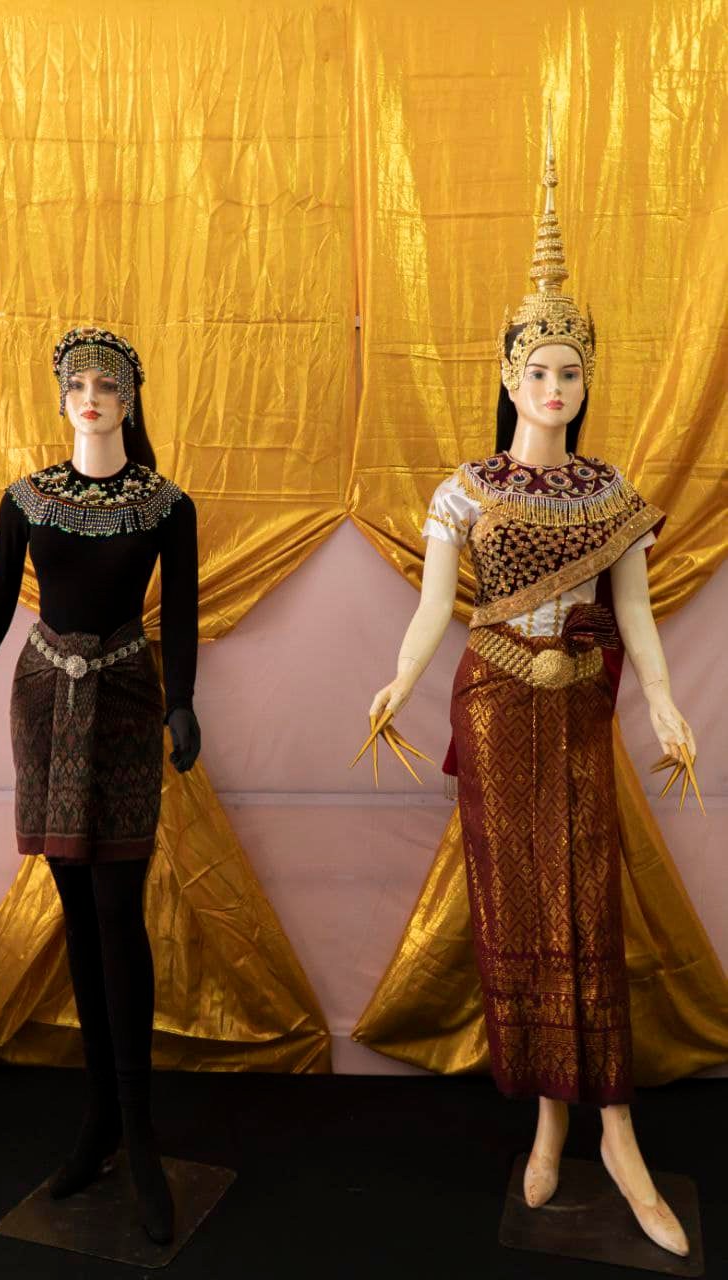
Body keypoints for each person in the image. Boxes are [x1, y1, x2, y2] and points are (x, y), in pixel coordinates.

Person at [368, 112, 693, 1258]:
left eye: (570, 371)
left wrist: (663, 701)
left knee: (586, 901)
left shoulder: (609, 491)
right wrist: (397, 679)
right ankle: (550, 1116)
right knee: (520, 906)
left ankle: (616, 1129)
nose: (554, 385)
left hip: (578, 702)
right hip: (497, 704)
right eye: (538, 368)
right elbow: (434, 607)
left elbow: (635, 612)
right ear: (508, 372)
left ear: (583, 379)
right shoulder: (462, 491)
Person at [0, 325, 199, 1245]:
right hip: (43, 703)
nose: (92, 398)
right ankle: (98, 1122)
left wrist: (182, 705)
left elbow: (182, 618)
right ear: (61, 397)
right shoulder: (27, 499)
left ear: (130, 401)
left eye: (108, 386)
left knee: (119, 913)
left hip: (126, 702)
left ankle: (139, 1138)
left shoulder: (165, 505)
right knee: (77, 912)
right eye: (78, 386)